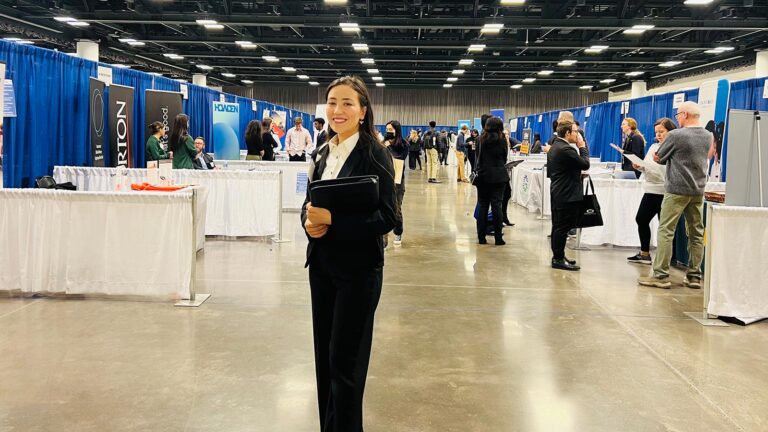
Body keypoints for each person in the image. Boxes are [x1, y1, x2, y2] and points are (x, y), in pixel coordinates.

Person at [301, 75, 396, 432]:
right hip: (322, 268)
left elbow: (388, 217)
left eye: (347, 103)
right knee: (324, 362)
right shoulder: (322, 151)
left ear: (362, 111)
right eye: (332, 102)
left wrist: (334, 221)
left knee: (346, 367)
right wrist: (308, 222)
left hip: (359, 273)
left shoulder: (375, 153)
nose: (337, 110)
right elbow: (309, 204)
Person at [639, 101, 710, 289]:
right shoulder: (708, 135)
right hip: (698, 190)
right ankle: (694, 276)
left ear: (685, 115)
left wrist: (663, 157)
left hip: (676, 190)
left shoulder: (676, 135)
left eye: (678, 115)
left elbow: (659, 157)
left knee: (666, 230)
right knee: (696, 232)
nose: (677, 118)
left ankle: (661, 275)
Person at [628, 118, 676, 265]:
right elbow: (649, 165)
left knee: (665, 227)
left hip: (665, 191)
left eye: (661, 132)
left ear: (670, 131)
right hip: (651, 189)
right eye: (657, 132)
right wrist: (640, 166)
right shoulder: (653, 147)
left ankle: (667, 258)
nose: (659, 135)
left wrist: (650, 166)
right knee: (641, 219)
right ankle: (645, 253)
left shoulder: (673, 148)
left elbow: (663, 170)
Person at [548, 120, 590, 271]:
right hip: (566, 193)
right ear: (567, 133)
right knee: (561, 227)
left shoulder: (556, 146)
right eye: (575, 131)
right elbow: (585, 164)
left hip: (560, 191)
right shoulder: (566, 149)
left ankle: (559, 255)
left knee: (559, 226)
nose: (578, 135)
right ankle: (558, 259)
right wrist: (583, 148)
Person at [474, 116, 509, 246]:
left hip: (483, 176)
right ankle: (498, 238)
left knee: (483, 205)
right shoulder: (502, 140)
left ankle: (481, 237)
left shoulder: (479, 139)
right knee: (497, 206)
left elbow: (478, 157)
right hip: (499, 176)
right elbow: (504, 158)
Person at [385, 120, 409, 246]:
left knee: (396, 208)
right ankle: (383, 237)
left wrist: (388, 146)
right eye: (387, 129)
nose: (388, 132)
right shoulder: (382, 142)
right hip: (384, 179)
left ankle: (398, 231)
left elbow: (399, 159)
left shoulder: (404, 144)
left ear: (396, 130)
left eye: (390, 129)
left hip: (398, 180)